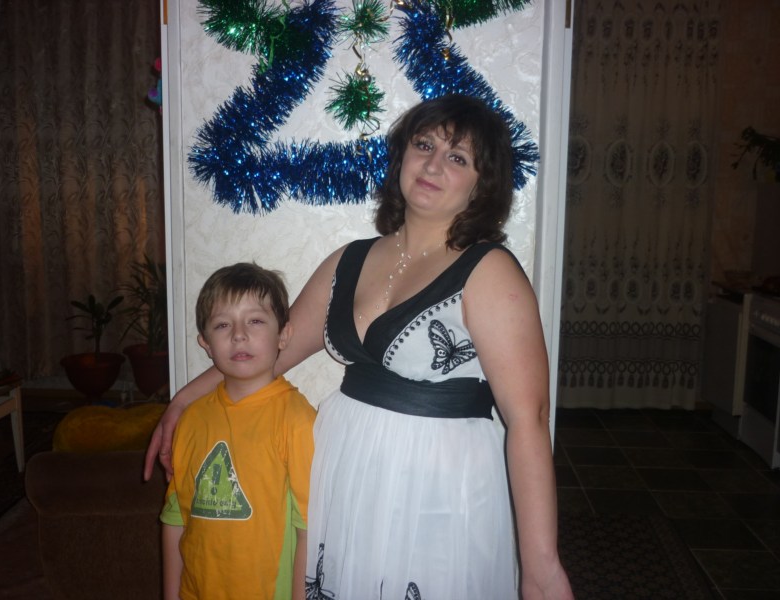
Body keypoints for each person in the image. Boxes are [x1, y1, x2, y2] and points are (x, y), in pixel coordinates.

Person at [147, 94, 573, 599]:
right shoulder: (347, 260)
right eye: (424, 145)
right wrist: (181, 403)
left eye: (458, 157)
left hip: (439, 488)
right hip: (344, 470)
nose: (433, 164)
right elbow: (271, 352)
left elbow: (528, 419)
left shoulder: (489, 270)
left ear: (482, 184)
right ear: (402, 155)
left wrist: (541, 564)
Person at [160, 262, 316, 600]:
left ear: (284, 335)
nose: (239, 334)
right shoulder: (191, 420)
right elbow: (175, 519)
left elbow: (309, 530)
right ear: (205, 343)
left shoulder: (298, 421)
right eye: (222, 324)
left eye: (255, 321)